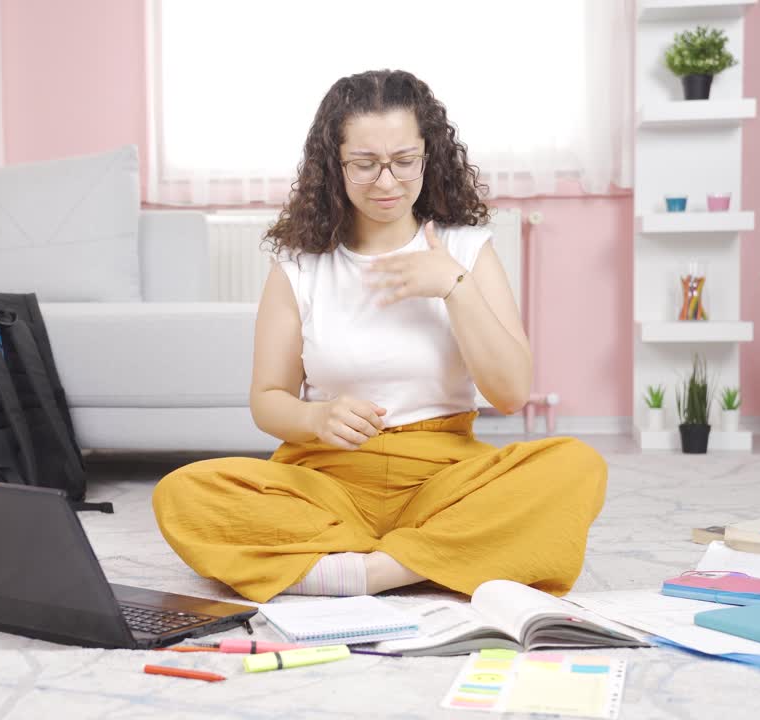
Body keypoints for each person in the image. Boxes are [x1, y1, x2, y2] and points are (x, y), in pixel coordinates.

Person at [152, 69, 607, 604]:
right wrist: (315, 418)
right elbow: (267, 399)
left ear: (428, 155)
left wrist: (454, 288)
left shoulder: (467, 251)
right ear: (334, 165)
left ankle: (367, 571)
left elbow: (510, 394)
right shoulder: (298, 266)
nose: (386, 182)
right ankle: (436, 558)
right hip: (329, 481)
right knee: (183, 494)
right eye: (365, 165)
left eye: (404, 161)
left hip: (445, 480)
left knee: (575, 466)